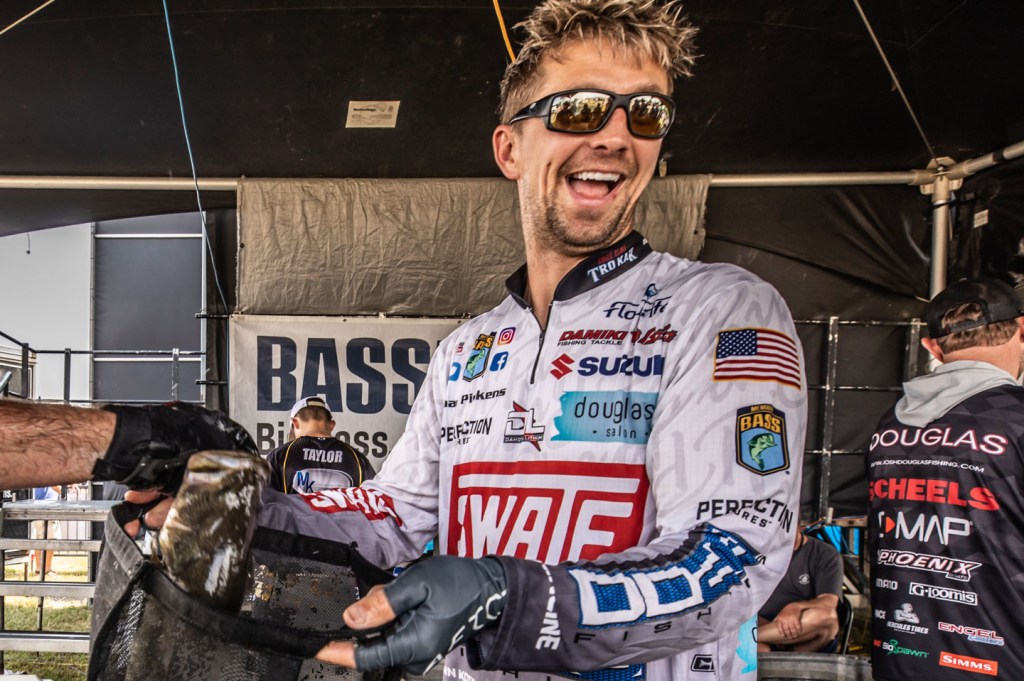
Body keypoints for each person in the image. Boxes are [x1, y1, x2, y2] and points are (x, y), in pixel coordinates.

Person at [0, 2, 806, 679]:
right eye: (579, 110)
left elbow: (733, 560)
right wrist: (236, 502)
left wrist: (509, 594)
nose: (615, 136)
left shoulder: (724, 310)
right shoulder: (466, 351)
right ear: (510, 147)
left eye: (646, 113)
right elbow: (391, 518)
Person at [868, 277, 1024, 681]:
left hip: (901, 658)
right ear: (1022, 329)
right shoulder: (1016, 417)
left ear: (932, 347)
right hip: (1004, 662)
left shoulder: (890, 424)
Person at [756, 523, 842, 653]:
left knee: (827, 616)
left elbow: (829, 601)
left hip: (804, 631)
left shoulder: (824, 553)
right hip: (761, 628)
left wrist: (795, 607)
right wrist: (768, 627)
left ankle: (753, 638)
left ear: (800, 527)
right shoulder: (753, 552)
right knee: (760, 649)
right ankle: (758, 637)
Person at [265, 396, 374, 494]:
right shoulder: (358, 460)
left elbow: (264, 501)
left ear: (295, 423)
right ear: (331, 425)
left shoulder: (280, 456)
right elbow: (375, 502)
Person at [30, 485, 62, 576]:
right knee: (51, 538)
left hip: (40, 506)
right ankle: (46, 569)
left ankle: (39, 569)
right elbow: (58, 488)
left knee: (39, 538)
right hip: (47, 506)